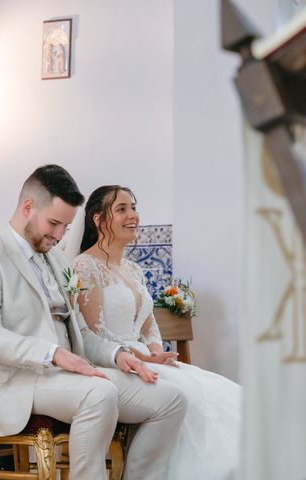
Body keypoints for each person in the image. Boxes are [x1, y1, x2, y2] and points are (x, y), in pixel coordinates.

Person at [0, 165, 187, 479]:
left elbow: (77, 328)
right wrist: (52, 353)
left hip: (65, 374)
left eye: (66, 226)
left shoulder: (57, 258)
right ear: (27, 207)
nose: (60, 235)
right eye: (54, 223)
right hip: (11, 381)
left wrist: (118, 354)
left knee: (170, 399)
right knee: (98, 394)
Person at [67, 185, 241, 480]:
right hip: (113, 364)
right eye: (121, 209)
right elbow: (95, 333)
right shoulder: (85, 266)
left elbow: (148, 322)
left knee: (227, 393)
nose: (132, 215)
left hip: (147, 359)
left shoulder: (133, 269)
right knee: (186, 396)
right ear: (98, 219)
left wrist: (156, 350)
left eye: (133, 207)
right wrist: (141, 356)